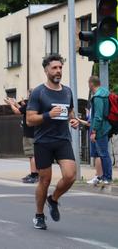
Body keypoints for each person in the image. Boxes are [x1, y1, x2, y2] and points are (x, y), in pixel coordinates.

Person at [26, 54, 79, 230]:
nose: (58, 71)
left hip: (62, 139)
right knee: (45, 180)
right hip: (43, 142)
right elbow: (29, 119)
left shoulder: (67, 91)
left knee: (71, 175)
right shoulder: (38, 92)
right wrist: (49, 115)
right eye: (54, 68)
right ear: (46, 70)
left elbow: (70, 112)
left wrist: (74, 120)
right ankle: (39, 215)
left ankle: (53, 199)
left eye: (60, 68)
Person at [4, 89, 38, 183]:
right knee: (35, 154)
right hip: (36, 132)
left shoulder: (30, 104)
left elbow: (17, 112)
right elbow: (22, 110)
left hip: (29, 133)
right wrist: (16, 103)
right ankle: (35, 173)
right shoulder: (35, 105)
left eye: (29, 95)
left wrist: (11, 104)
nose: (27, 97)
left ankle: (34, 174)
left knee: (31, 155)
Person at [88, 75, 112, 184]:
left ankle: (107, 177)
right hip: (106, 126)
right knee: (103, 153)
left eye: (89, 84)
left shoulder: (98, 97)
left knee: (103, 154)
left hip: (101, 129)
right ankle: (105, 177)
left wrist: (94, 131)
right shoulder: (105, 93)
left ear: (91, 84)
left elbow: (98, 116)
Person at [76, 108, 103, 184]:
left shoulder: (95, 105)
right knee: (99, 154)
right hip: (98, 131)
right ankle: (100, 176)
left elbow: (90, 123)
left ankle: (98, 176)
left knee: (97, 155)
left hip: (95, 132)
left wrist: (94, 132)